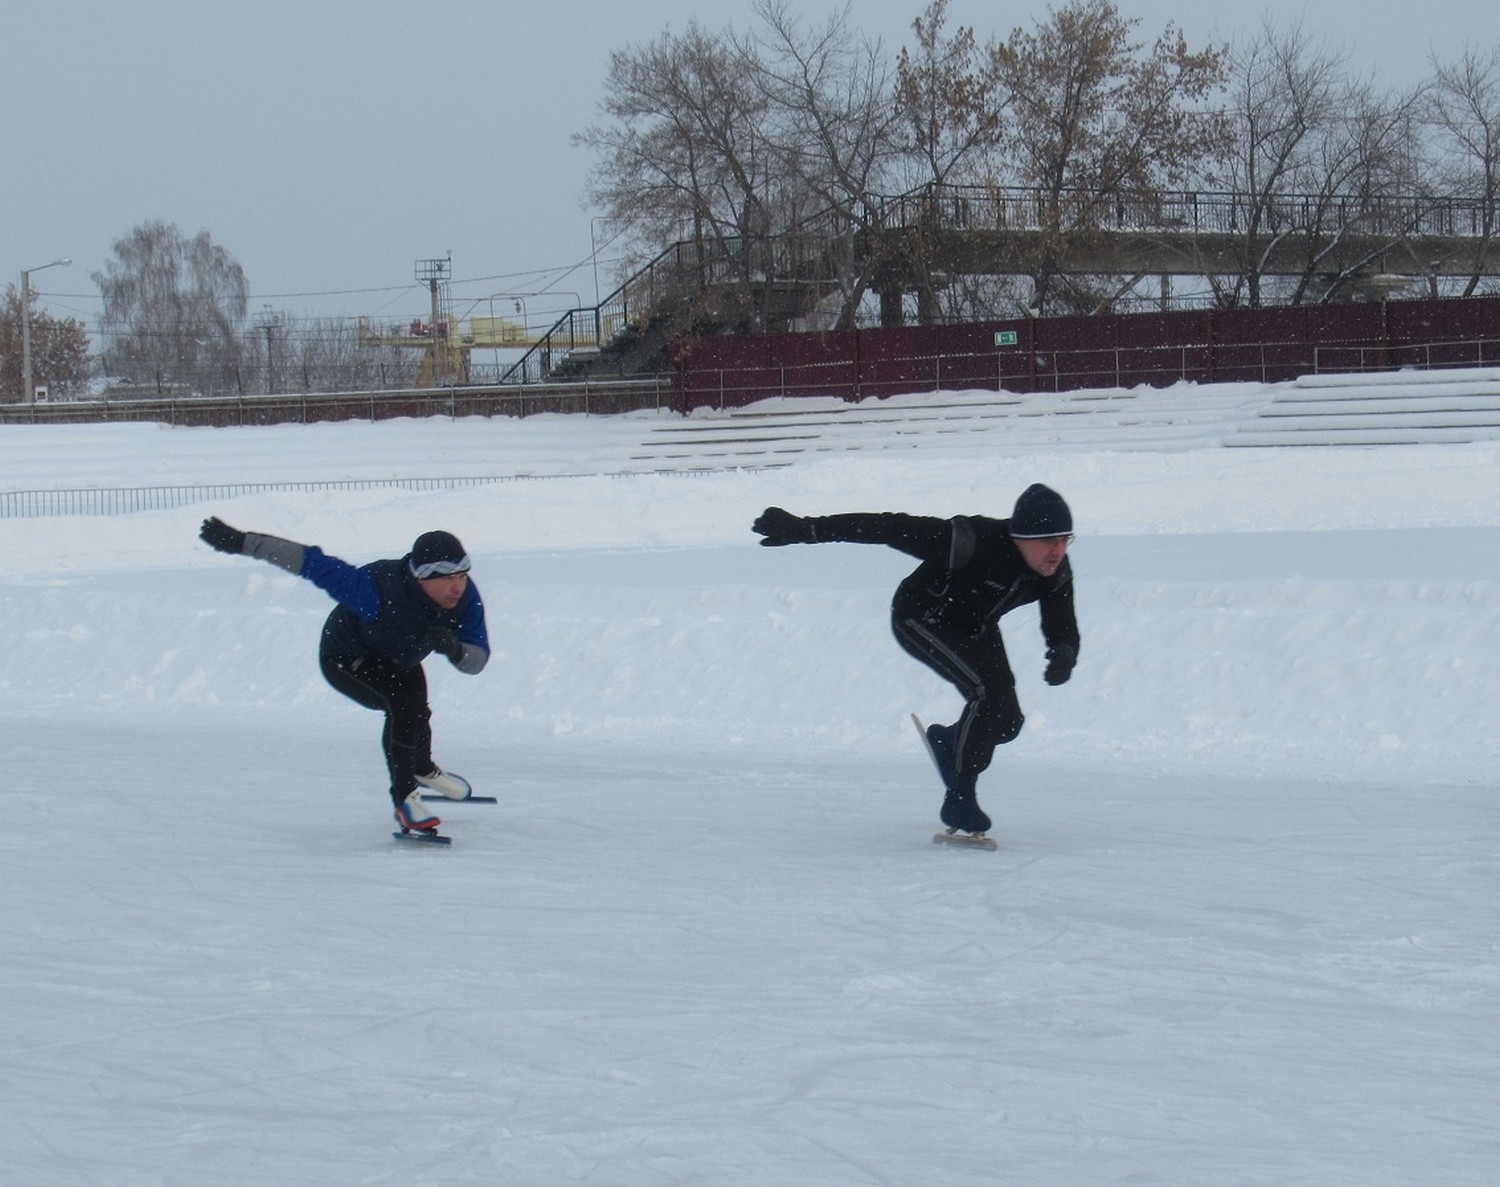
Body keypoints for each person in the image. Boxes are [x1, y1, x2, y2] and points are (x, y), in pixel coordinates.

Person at [751, 483, 1079, 837]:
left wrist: (1064, 651)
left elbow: (1061, 618)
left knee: (1007, 722)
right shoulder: (969, 539)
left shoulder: (1054, 568)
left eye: (1064, 540)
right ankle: (960, 796)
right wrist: (805, 529)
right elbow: (888, 527)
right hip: (922, 615)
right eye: (1049, 541)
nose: (1058, 551)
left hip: (975, 626)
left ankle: (949, 742)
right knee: (989, 693)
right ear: (1019, 538)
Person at [198, 518, 490, 834]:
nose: (458, 586)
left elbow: (477, 660)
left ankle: (422, 770)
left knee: (418, 706)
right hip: (346, 659)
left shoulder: (463, 600)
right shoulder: (374, 589)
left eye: (462, 575)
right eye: (448, 578)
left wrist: (457, 651)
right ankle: (405, 799)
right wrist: (243, 542)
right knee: (402, 706)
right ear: (423, 578)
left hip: (397, 657)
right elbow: (311, 562)